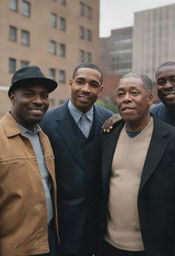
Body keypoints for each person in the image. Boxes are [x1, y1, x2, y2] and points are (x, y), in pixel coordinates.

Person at [99, 72, 175, 256]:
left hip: (155, 249)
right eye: (121, 94)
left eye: (134, 92)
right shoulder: (108, 135)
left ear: (150, 99)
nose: (126, 99)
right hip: (109, 246)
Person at [40, 62, 113, 256]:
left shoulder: (111, 121)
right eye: (80, 82)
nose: (86, 89)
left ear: (101, 89)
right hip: (63, 224)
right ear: (71, 83)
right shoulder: (46, 122)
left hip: (99, 223)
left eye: (93, 84)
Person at [0, 66, 58, 256]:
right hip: (14, 248)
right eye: (29, 94)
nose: (38, 101)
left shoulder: (44, 138)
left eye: (44, 95)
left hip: (47, 242)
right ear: (12, 97)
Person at [103, 61, 175, 142]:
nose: (168, 86)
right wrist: (119, 118)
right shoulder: (153, 114)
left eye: (174, 80)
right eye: (162, 82)